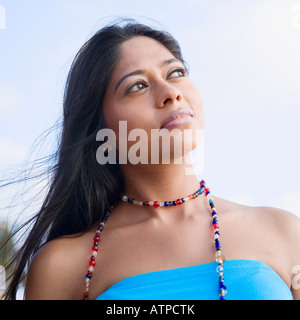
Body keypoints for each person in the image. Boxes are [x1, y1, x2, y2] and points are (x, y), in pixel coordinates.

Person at [4, 20, 300, 300]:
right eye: (137, 86)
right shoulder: (63, 266)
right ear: (101, 129)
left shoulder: (283, 231)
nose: (171, 93)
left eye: (176, 73)